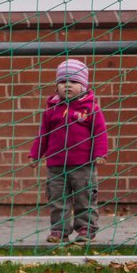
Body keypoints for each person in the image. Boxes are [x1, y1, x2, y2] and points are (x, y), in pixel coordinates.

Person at [27, 58, 109, 244]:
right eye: (63, 82)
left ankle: (86, 228)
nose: (68, 86)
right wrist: (35, 154)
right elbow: (43, 135)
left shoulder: (91, 109)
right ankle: (59, 230)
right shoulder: (51, 110)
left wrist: (101, 153)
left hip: (82, 165)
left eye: (73, 82)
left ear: (83, 85)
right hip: (56, 165)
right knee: (58, 199)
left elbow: (100, 132)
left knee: (84, 198)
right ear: (57, 86)